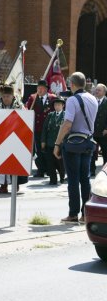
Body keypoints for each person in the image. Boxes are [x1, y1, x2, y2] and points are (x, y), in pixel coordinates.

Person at [53, 72, 99, 224]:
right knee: (85, 179)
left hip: (73, 144)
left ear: (72, 84)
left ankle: (73, 214)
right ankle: (86, 214)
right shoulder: (93, 98)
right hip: (88, 142)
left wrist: (57, 144)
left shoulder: (73, 99)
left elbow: (67, 124)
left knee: (73, 179)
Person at [0, 83, 27, 193]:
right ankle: (3, 185)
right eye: (4, 96)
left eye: (8, 96)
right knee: (1, 162)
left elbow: (26, 122)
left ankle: (16, 184)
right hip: (0, 140)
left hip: (16, 140)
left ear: (13, 96)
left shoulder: (20, 107)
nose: (5, 98)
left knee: (15, 163)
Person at [25, 79, 56, 177]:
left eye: (42, 88)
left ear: (46, 89)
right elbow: (28, 110)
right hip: (37, 128)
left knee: (48, 149)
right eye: (38, 88)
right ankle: (41, 169)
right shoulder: (32, 98)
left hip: (49, 130)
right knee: (38, 149)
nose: (40, 90)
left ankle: (50, 169)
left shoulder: (52, 98)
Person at [40, 95, 66, 185]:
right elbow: (44, 128)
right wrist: (43, 141)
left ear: (63, 106)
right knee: (50, 162)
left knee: (60, 162)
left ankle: (62, 177)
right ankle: (53, 179)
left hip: (61, 143)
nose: (57, 106)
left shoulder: (66, 115)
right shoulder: (50, 115)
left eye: (59, 105)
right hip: (50, 143)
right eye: (55, 105)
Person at [92, 83, 107, 174]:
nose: (96, 91)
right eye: (96, 90)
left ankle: (105, 171)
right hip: (93, 131)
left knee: (105, 152)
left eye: (99, 90)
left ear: (104, 92)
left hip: (103, 132)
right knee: (92, 152)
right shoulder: (92, 101)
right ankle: (91, 170)